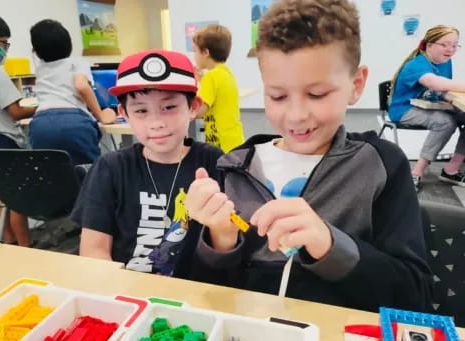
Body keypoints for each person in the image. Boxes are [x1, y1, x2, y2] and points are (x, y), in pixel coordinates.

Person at [185, 0, 432, 312]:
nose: (297, 115)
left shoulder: (381, 166)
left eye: (317, 94)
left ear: (356, 85)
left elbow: (414, 296)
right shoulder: (234, 168)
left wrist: (330, 245)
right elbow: (202, 293)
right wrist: (220, 239)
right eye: (277, 96)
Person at [72, 50, 223, 277]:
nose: (156, 123)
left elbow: (224, 248)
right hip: (127, 292)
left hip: (193, 294)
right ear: (124, 113)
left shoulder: (212, 162)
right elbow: (94, 251)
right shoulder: (111, 168)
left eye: (169, 107)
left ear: (193, 107)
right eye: (141, 110)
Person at [29, 19, 116, 165]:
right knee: (89, 173)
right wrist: (100, 115)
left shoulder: (40, 69)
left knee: (51, 172)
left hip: (40, 123)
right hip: (74, 122)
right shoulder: (77, 62)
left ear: (36, 53)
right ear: (69, 45)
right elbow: (81, 86)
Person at [389, 25, 465, 190]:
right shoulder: (416, 64)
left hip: (429, 105)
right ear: (430, 45)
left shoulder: (445, 61)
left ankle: (451, 170)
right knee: (446, 122)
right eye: (444, 45)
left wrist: (452, 102)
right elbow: (434, 83)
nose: (450, 50)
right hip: (403, 110)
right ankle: (416, 173)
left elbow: (443, 89)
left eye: (454, 45)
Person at [0, 9, 36, 247]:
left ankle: (8, 245)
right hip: (2, 143)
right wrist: (41, 107)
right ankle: (26, 249)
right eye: (4, 44)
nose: (5, 50)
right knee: (18, 201)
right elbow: (15, 111)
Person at [192, 24, 244, 153]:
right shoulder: (225, 73)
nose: (194, 56)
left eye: (195, 51)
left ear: (206, 52)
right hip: (233, 140)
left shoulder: (211, 77)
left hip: (220, 144)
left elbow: (198, 112)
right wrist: (201, 80)